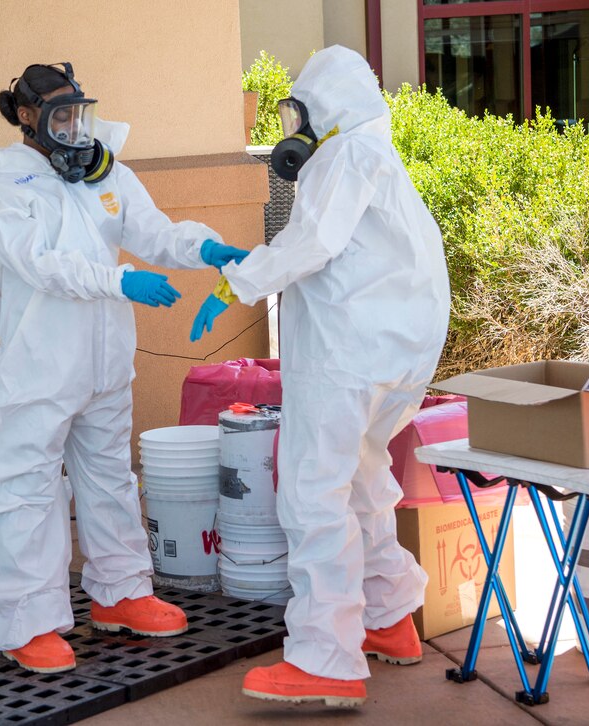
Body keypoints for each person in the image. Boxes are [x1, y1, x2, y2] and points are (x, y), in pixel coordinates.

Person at [0, 62, 250, 674]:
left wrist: (207, 249)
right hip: (41, 366)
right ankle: (24, 621)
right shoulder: (7, 192)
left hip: (105, 362)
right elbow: (43, 267)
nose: (74, 126)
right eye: (60, 114)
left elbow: (155, 232)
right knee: (25, 489)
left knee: (111, 477)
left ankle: (121, 593)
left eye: (78, 112)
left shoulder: (102, 173)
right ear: (28, 118)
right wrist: (119, 280)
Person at [192, 45, 450, 707]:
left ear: (326, 106)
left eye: (298, 112)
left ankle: (326, 658)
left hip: (348, 355)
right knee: (361, 478)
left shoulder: (344, 156)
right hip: (394, 354)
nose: (293, 128)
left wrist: (237, 282)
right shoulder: (376, 155)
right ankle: (388, 616)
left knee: (312, 495)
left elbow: (311, 243)